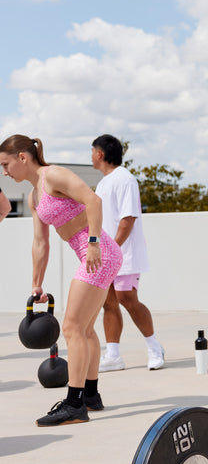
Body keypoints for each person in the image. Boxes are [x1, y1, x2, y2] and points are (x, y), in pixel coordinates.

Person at [0, 135, 123, 425]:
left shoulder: (53, 174)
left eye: (5, 164)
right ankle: (91, 396)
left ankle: (74, 404)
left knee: (71, 327)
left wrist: (93, 242)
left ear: (22, 157)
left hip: (99, 252)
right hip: (93, 255)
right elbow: (40, 243)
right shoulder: (34, 196)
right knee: (86, 330)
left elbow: (93, 200)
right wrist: (36, 284)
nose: (4, 171)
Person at [91, 135, 164, 371]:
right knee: (108, 303)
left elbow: (128, 218)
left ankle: (154, 348)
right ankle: (113, 356)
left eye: (92, 151)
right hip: (107, 254)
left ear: (100, 154)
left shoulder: (125, 179)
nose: (91, 155)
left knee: (127, 300)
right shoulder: (103, 183)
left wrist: (112, 248)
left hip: (124, 253)